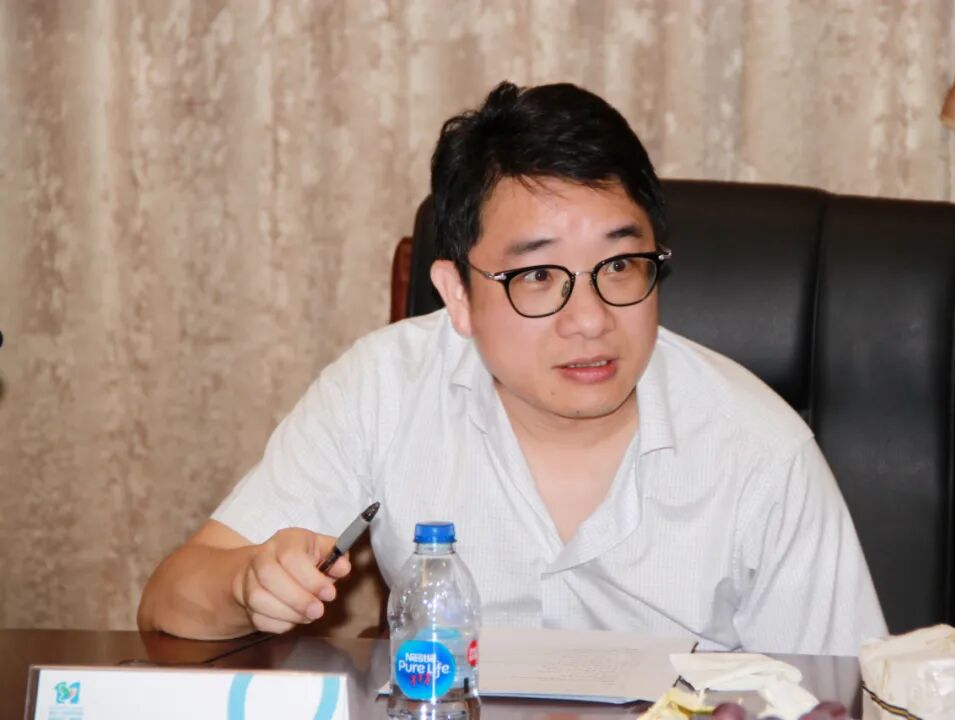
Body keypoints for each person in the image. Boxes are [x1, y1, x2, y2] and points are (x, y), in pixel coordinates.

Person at [138, 81, 887, 654]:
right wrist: (249, 586)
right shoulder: (384, 387)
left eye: (620, 265)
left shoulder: (762, 452)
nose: (590, 319)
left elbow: (846, 693)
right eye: (537, 276)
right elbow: (170, 602)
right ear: (457, 296)